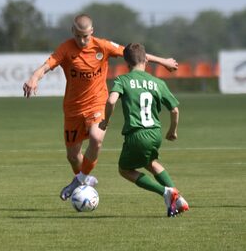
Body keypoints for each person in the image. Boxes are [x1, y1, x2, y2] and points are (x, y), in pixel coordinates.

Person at [23, 14, 179, 201]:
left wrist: (164, 62)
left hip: (97, 103)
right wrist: (34, 77)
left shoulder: (102, 46)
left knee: (96, 139)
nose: (82, 40)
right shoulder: (65, 48)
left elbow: (134, 55)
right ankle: (83, 180)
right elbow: (46, 66)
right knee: (73, 156)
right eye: (78, 36)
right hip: (73, 109)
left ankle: (78, 181)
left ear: (92, 32)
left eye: (86, 36)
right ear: (73, 31)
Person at [99, 43, 189, 217]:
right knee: (151, 163)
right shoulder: (158, 82)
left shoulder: (122, 80)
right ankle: (179, 199)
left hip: (136, 134)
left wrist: (105, 121)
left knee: (124, 170)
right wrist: (172, 131)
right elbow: (175, 110)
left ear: (126, 63)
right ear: (146, 60)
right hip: (155, 134)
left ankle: (166, 192)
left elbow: (111, 101)